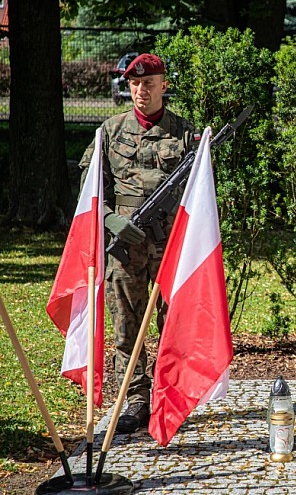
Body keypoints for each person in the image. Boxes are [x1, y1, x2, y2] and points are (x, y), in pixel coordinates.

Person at [79, 53, 198, 433]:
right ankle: (135, 398)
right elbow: (90, 188)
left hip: (170, 243)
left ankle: (168, 393)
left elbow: (200, 193)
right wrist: (112, 221)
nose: (141, 90)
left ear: (164, 85)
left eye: (148, 83)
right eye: (134, 83)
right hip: (126, 244)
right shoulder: (110, 131)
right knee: (126, 324)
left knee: (171, 321)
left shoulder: (185, 132)